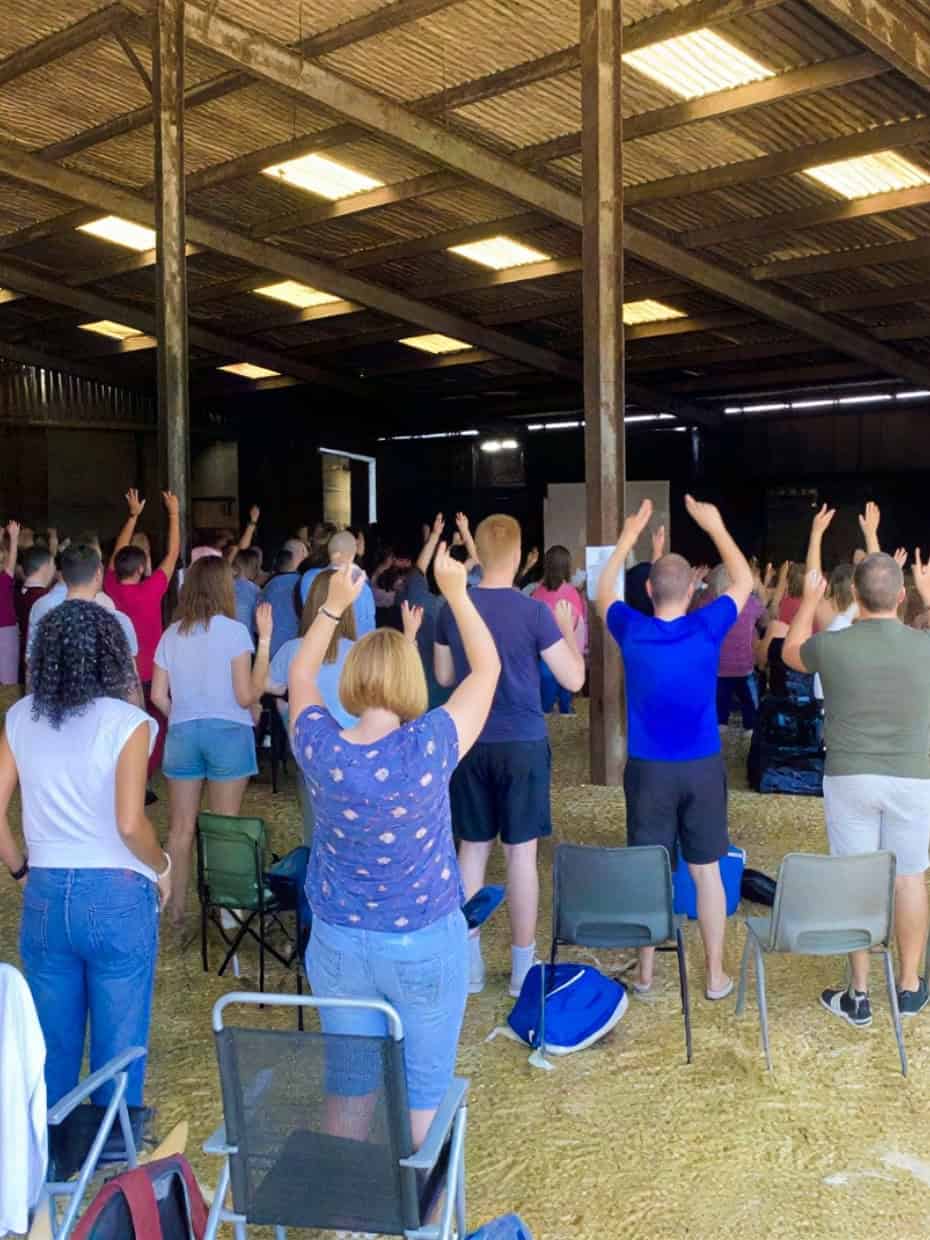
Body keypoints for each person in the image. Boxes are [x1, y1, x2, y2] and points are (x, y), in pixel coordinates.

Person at [289, 549, 500, 1148]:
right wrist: (457, 595)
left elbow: (301, 678)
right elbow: (485, 672)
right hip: (422, 942)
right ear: (413, 682)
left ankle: (350, 1219)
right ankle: (421, 1217)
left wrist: (330, 609)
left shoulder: (320, 746)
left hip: (336, 945)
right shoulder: (430, 745)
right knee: (425, 1090)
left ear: (353, 680)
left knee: (350, 1088)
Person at [0, 601, 171, 1108]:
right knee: (120, 1041)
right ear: (110, 653)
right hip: (117, 889)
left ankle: (51, 1156)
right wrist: (161, 866)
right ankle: (112, 1153)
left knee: (52, 1044)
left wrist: (19, 869)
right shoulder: (128, 722)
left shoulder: (19, 716)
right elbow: (128, 822)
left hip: (47, 891)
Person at [597, 495, 752, 1000]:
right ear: (695, 589)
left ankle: (645, 975)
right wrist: (717, 525)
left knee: (650, 872)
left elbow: (602, 591)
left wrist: (628, 536)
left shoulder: (632, 630)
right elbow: (745, 582)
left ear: (647, 589)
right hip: (702, 768)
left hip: (648, 771)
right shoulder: (708, 626)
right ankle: (713, 976)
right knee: (706, 871)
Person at [435, 514, 585, 997]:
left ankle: (470, 963)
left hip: (468, 739)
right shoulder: (535, 612)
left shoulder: (451, 606)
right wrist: (567, 629)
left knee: (472, 849)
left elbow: (442, 677)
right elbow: (573, 680)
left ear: (475, 551)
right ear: (520, 557)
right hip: (522, 741)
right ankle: (523, 967)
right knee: (521, 855)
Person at [783, 549, 930, 1023]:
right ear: (902, 596)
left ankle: (860, 994)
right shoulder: (923, 644)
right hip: (913, 774)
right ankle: (908, 987)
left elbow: (789, 652)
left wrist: (807, 600)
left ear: (855, 598)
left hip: (849, 776)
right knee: (910, 878)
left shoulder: (834, 643)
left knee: (855, 878)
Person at [151, 558, 272, 930]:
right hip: (227, 734)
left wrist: (186, 713)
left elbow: (157, 696)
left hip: (183, 733)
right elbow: (245, 694)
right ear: (224, 588)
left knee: (180, 829)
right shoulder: (235, 632)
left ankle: (174, 912)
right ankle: (227, 913)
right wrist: (265, 640)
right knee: (224, 827)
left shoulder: (171, 634)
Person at [267, 571, 358, 844]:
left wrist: (286, 710)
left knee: (314, 831)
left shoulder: (292, 649)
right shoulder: (360, 651)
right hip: (354, 753)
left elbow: (265, 685)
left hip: (310, 753)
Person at [105, 489, 181, 778]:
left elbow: (117, 553)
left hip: (118, 670)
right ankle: (146, 774)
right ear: (140, 568)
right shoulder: (150, 591)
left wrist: (133, 516)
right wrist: (173, 513)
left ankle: (123, 770)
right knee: (155, 724)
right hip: (149, 672)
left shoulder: (110, 586)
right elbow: (173, 554)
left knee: (121, 723)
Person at [27, 545, 139, 671]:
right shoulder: (119, 621)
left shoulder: (41, 609)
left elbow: (31, 665)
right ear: (98, 574)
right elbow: (130, 678)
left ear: (63, 575)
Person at [709, 563, 765, 738]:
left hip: (721, 667)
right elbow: (763, 614)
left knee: (721, 698)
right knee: (749, 699)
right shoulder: (751, 603)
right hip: (744, 665)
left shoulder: (714, 605)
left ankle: (721, 723)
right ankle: (750, 725)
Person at [531, 545, 587, 716]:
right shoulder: (572, 593)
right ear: (566, 567)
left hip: (545, 657)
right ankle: (565, 710)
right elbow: (580, 625)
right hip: (568, 654)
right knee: (566, 704)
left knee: (545, 708)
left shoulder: (536, 593)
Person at [300, 530, 376, 636]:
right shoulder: (362, 588)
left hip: (314, 645)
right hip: (353, 650)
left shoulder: (308, 578)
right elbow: (368, 630)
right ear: (354, 554)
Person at [259, 539, 307, 657]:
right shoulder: (305, 583)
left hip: (270, 653)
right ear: (301, 556)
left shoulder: (267, 586)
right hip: (298, 653)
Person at [14, 544, 54, 686]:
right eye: (53, 564)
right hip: (37, 666)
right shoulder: (43, 599)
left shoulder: (16, 592)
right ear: (46, 566)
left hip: (17, 659)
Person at [0, 521, 20, 685]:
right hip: (5, 630)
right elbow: (10, 562)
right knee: (8, 678)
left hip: (6, 629)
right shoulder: (4, 579)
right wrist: (13, 538)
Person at [232, 548, 262, 636]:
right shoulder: (255, 590)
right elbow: (257, 623)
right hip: (245, 638)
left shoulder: (226, 585)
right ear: (254, 568)